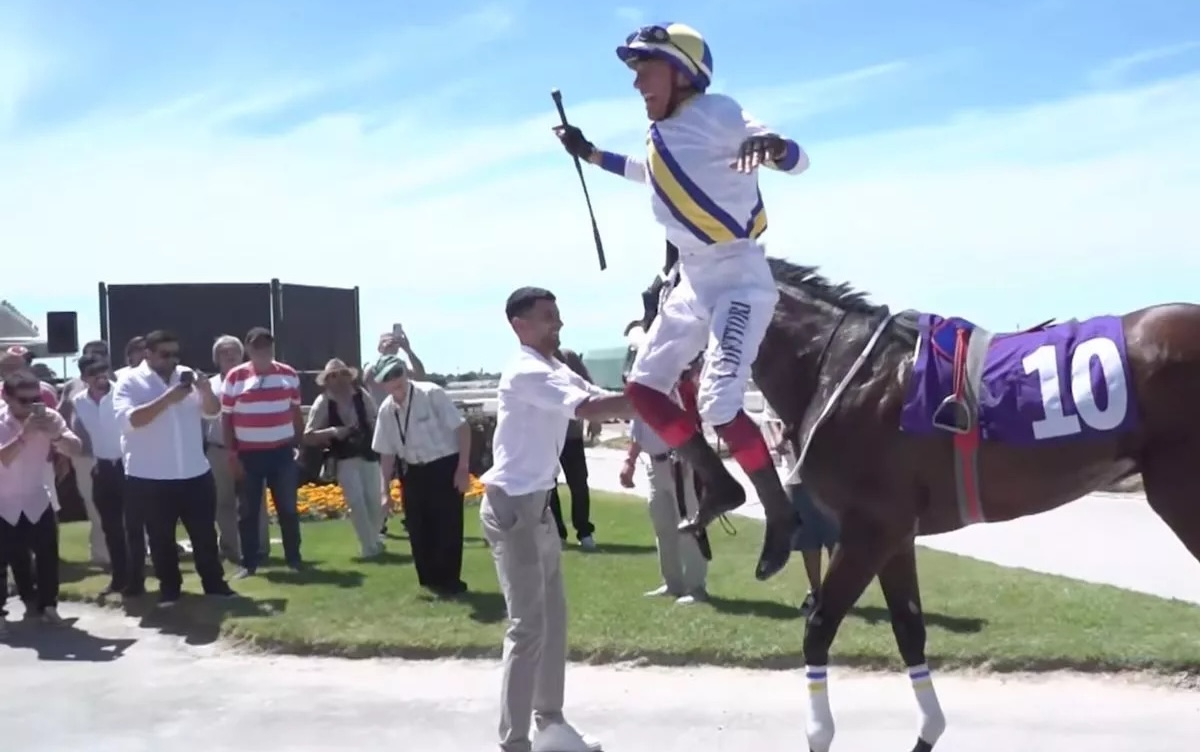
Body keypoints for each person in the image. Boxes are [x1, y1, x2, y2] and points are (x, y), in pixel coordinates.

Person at [553, 22, 811, 581]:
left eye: (645, 69)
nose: (638, 83)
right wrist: (589, 151)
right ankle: (718, 482)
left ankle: (782, 513)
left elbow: (797, 159)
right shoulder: (664, 136)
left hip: (739, 278)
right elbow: (648, 175)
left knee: (719, 403)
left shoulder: (718, 112)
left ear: (682, 71)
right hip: (692, 282)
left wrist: (773, 148)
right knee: (643, 388)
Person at [479, 286, 635, 752]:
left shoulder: (553, 367)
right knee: (527, 627)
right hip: (513, 509)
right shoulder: (526, 370)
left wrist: (646, 391)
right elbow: (588, 409)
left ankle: (551, 723)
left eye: (558, 315)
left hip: (539, 505)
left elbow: (600, 397)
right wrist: (651, 402)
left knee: (553, 619)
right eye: (548, 317)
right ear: (519, 324)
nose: (558, 324)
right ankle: (515, 742)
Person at [112, 329, 235, 605]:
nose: (172, 360)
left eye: (175, 354)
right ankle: (170, 589)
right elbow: (130, 421)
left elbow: (213, 411)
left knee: (205, 534)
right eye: (165, 354)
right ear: (148, 354)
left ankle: (215, 585)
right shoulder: (130, 382)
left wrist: (204, 390)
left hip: (194, 471)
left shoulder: (186, 375)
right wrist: (168, 399)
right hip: (150, 476)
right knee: (160, 539)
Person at [371, 355, 472, 594]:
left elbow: (462, 428)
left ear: (405, 373)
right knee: (418, 527)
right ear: (381, 383)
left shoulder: (431, 393)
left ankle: (450, 581)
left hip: (444, 466)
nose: (395, 380)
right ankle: (428, 581)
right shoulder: (386, 410)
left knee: (447, 526)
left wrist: (463, 468)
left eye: (398, 373)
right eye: (388, 377)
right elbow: (386, 453)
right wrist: (384, 491)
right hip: (413, 471)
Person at [620, 355, 708, 605]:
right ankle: (672, 583)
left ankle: (696, 586)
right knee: (663, 525)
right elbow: (638, 431)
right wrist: (630, 461)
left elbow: (689, 420)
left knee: (689, 523)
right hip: (654, 463)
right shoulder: (641, 393)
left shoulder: (674, 387)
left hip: (681, 464)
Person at [0, 370, 84, 627]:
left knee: (47, 556)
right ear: (6, 397)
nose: (31, 406)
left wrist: (56, 437)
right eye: (24, 401)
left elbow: (77, 448)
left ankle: (48, 605)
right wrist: (24, 435)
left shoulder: (49, 417)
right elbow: (3, 458)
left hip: (37, 497)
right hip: (3, 502)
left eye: (35, 399)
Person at [220, 327, 304, 577]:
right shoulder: (235, 378)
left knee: (288, 508)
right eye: (257, 347)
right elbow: (227, 420)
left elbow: (296, 413)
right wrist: (232, 455)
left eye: (267, 347)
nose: (263, 352)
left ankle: (294, 558)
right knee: (248, 511)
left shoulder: (289, 374)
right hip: (248, 455)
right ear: (248, 349)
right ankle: (249, 563)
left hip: (281, 453)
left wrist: (297, 444)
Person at [305, 358, 385, 559]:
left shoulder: (361, 396)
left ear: (349, 377)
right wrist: (333, 432)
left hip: (368, 453)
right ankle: (368, 547)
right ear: (327, 380)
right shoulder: (323, 402)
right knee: (356, 502)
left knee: (375, 502)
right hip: (343, 457)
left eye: (342, 374)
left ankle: (373, 540)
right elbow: (309, 435)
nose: (338, 379)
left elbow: (376, 420)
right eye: (333, 376)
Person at [70, 355, 135, 596]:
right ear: (84, 378)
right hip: (102, 468)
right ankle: (119, 579)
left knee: (134, 526)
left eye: (103, 370)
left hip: (128, 466)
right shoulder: (79, 401)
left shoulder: (122, 393)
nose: (100, 376)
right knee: (111, 527)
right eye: (93, 372)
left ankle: (136, 578)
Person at [205, 334, 270, 564]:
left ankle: (260, 548)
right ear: (216, 358)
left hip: (250, 449)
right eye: (223, 351)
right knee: (223, 502)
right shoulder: (209, 385)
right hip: (218, 450)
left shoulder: (255, 379)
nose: (229, 355)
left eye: (233, 350)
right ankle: (233, 549)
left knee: (255, 502)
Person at [547, 347, 597, 550]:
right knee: (549, 485)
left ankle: (584, 532)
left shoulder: (569, 358)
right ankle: (557, 533)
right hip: (546, 436)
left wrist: (594, 419)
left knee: (579, 483)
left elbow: (588, 387)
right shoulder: (531, 361)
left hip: (571, 433)